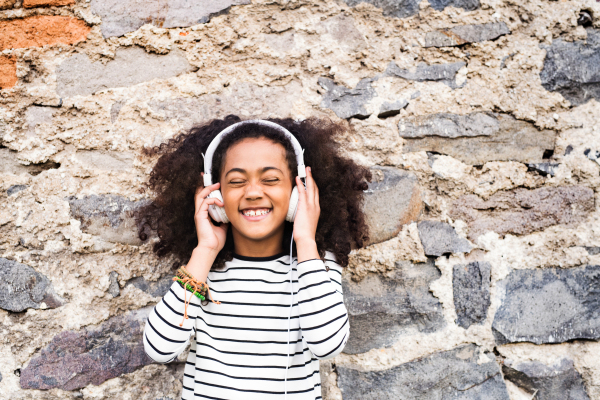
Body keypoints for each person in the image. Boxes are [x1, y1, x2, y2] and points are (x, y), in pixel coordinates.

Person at [137, 115, 371, 399]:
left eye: (270, 179)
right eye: (236, 181)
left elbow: (327, 345)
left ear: (298, 193)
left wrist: (306, 240)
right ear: (216, 195)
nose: (252, 193)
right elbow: (160, 349)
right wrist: (205, 250)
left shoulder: (316, 265)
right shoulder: (203, 268)